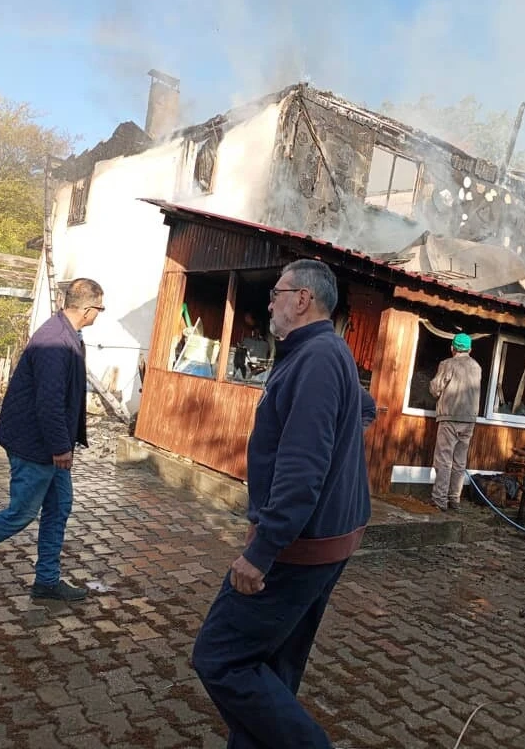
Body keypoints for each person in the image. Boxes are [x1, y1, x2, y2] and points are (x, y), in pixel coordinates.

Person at [192, 259, 375, 749]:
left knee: (220, 657)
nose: (269, 303)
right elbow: (364, 408)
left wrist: (262, 551)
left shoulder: (317, 358)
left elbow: (302, 469)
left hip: (299, 547)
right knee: (273, 667)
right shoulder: (325, 351)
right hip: (327, 540)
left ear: (302, 299)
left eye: (276, 293)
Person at [0, 278, 104, 604]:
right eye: (100, 308)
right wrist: (60, 447)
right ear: (88, 309)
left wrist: (65, 443)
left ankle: (46, 581)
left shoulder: (68, 334)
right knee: (20, 513)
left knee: (59, 507)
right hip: (34, 443)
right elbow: (49, 402)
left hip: (49, 443)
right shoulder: (55, 341)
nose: (99, 314)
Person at [429, 332, 482, 512]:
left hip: (450, 417)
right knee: (460, 461)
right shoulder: (476, 367)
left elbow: (436, 389)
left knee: (444, 459)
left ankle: (439, 500)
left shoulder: (448, 364)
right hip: (469, 420)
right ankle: (454, 499)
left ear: (452, 348)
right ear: (470, 350)